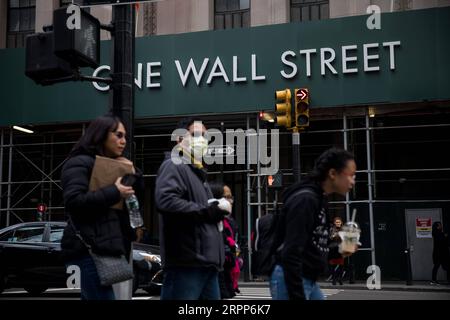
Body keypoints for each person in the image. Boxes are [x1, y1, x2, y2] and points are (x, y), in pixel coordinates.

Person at [60, 114, 143, 300]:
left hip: (103, 248)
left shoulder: (113, 165)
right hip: (85, 250)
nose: (123, 141)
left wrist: (133, 174)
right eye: (118, 135)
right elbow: (74, 201)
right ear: (101, 135)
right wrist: (115, 191)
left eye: (125, 137)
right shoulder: (78, 162)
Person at [270, 147, 357, 300]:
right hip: (292, 278)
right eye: (350, 175)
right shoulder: (306, 200)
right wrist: (297, 294)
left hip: (307, 278)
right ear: (332, 174)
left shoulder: (320, 200)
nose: (353, 181)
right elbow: (291, 251)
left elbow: (314, 246)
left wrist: (341, 250)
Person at [154, 117, 227, 300]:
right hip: (187, 263)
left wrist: (214, 210)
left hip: (205, 264)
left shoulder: (197, 172)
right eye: (195, 134)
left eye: (204, 135)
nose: (201, 139)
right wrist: (208, 211)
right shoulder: (174, 165)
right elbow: (166, 201)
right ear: (179, 139)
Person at [210, 182, 241, 299]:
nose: (229, 201)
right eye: (226, 197)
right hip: (217, 269)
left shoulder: (230, 221)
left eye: (230, 197)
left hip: (227, 268)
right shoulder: (212, 221)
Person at [328, 216, 345, 285]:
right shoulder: (331, 229)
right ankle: (334, 279)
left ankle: (340, 279)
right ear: (334, 223)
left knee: (341, 265)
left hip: (341, 249)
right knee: (333, 265)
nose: (338, 223)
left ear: (341, 223)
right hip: (333, 249)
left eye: (339, 222)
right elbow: (329, 238)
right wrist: (333, 236)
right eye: (336, 222)